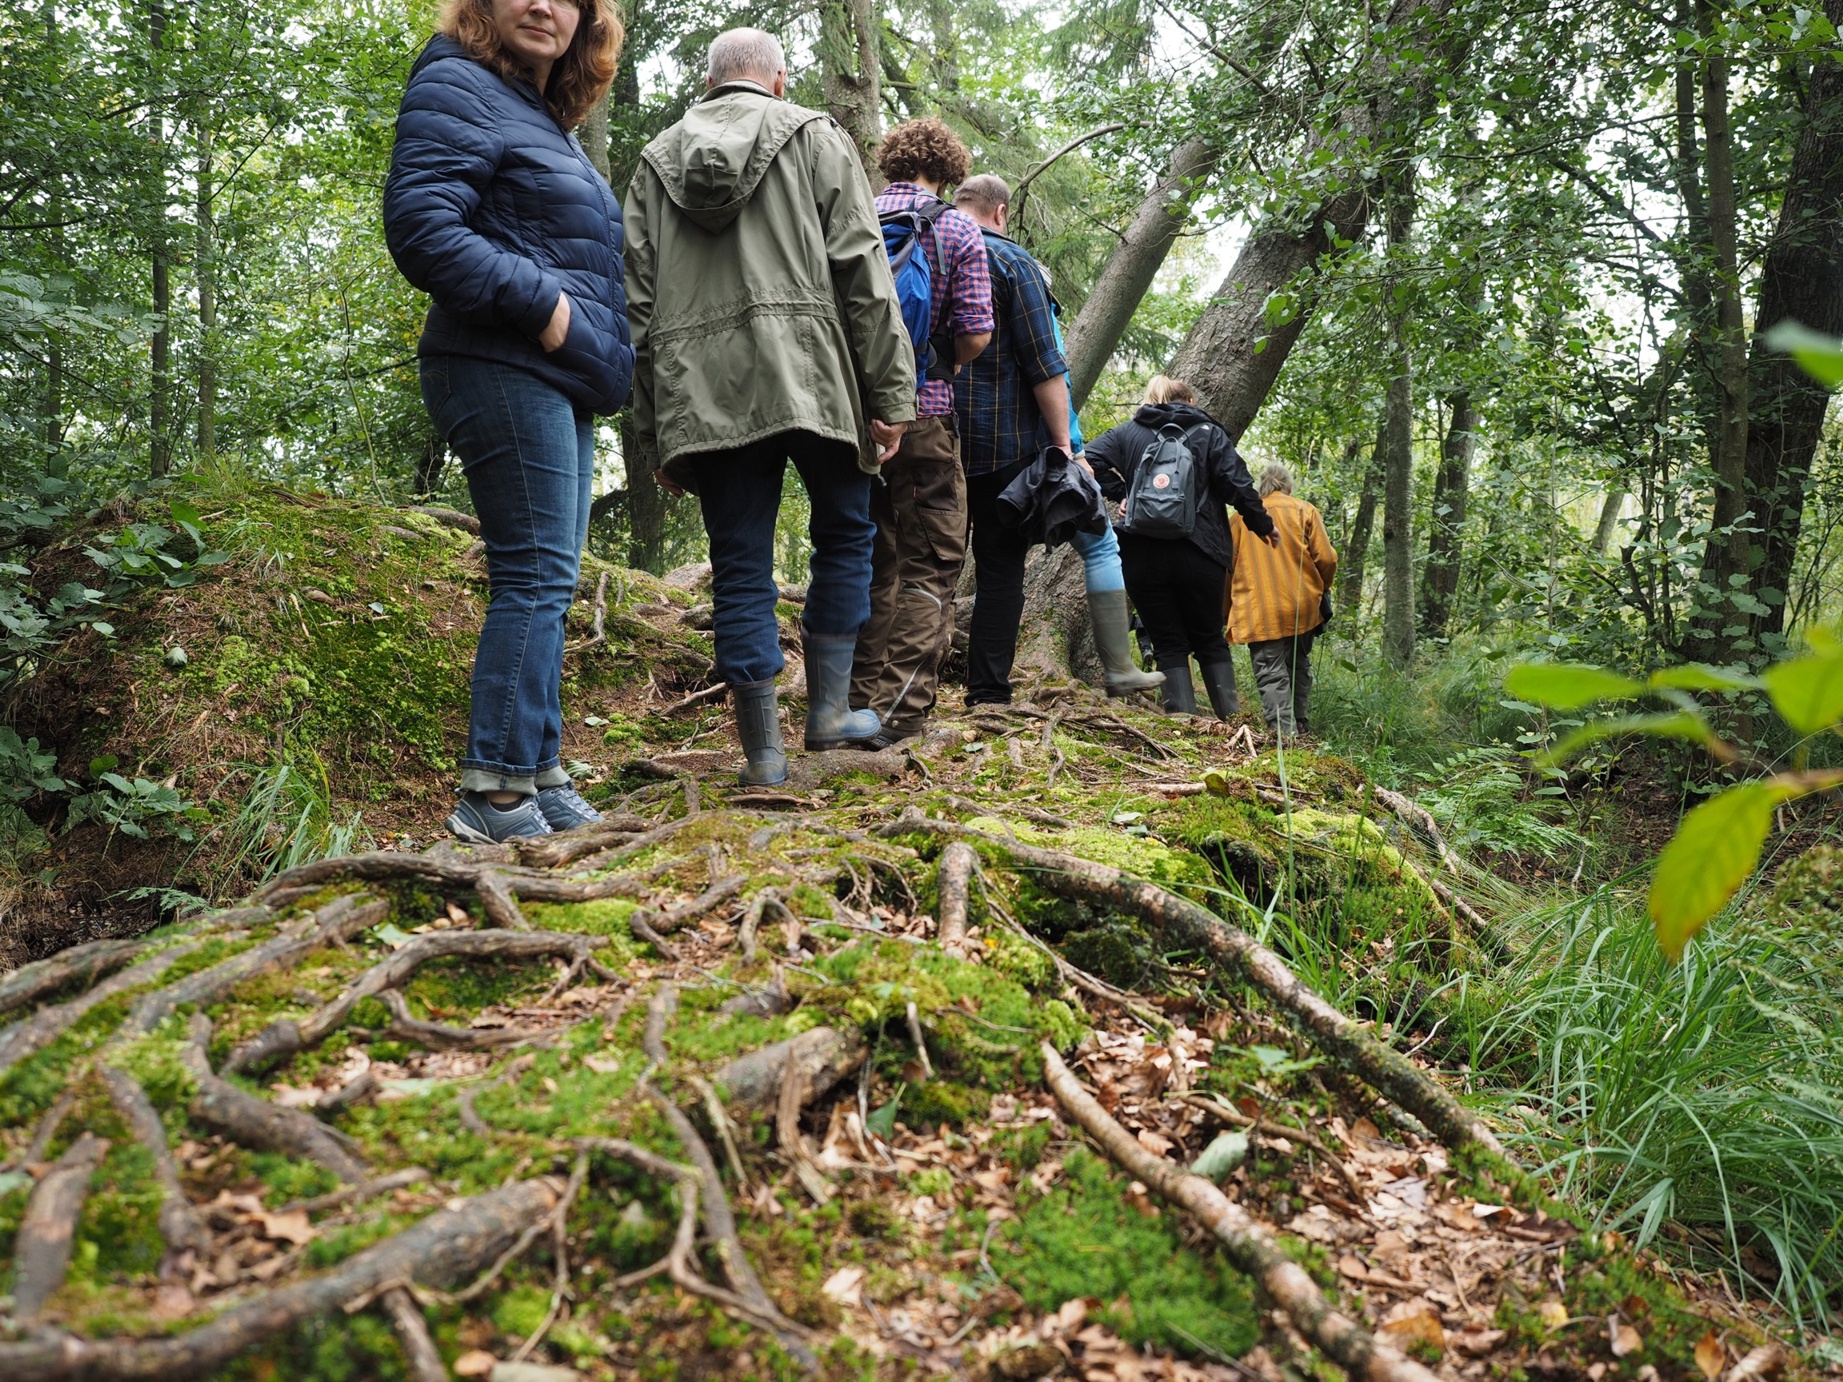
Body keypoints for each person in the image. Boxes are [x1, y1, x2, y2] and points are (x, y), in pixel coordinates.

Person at [624, 29, 916, 786]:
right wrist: (888, 393)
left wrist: (656, 431)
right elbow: (862, 267)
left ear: (711, 82)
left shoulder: (655, 160)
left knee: (739, 560)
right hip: (815, 370)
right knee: (846, 533)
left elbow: (637, 306)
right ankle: (827, 714)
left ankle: (762, 755)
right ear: (778, 81)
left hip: (703, 384)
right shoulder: (815, 135)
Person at [385, 0, 633, 842]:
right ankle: (491, 794)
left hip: (550, 372)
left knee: (548, 585)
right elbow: (422, 228)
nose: (543, 5)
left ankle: (536, 774)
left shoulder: (536, 115)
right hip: (500, 362)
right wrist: (550, 310)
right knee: (530, 578)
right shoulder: (457, 81)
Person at [950, 173, 1164, 704]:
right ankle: (989, 694)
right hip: (1006, 448)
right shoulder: (1012, 262)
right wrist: (1068, 450)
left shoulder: (931, 254)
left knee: (920, 567)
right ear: (1001, 213)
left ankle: (893, 697)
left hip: (934, 439)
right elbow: (1048, 367)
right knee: (1011, 564)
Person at [846, 120, 994, 748]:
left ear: (892, 161)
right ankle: (900, 713)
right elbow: (976, 331)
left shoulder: (850, 214)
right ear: (950, 168)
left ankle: (849, 704)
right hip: (925, 415)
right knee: (931, 566)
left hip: (848, 417)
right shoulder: (958, 228)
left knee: (867, 558)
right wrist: (942, 364)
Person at [1085, 376, 1276, 719]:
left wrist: (1122, 493)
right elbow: (1238, 485)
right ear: (1188, 401)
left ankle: (1182, 725)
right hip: (1201, 552)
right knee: (1209, 638)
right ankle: (1232, 723)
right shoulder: (1208, 433)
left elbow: (1087, 461)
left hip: (1142, 554)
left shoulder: (1128, 432)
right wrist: (1263, 526)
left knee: (1168, 643)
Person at [1229, 462, 1338, 737]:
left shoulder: (1240, 520)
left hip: (1259, 608)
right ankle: (1300, 723)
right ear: (1287, 487)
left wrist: (1225, 611)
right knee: (1298, 663)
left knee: (1271, 671)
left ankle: (1283, 735)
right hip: (1302, 606)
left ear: (1262, 488)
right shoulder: (1304, 510)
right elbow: (1327, 558)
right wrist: (1321, 588)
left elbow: (1226, 567)